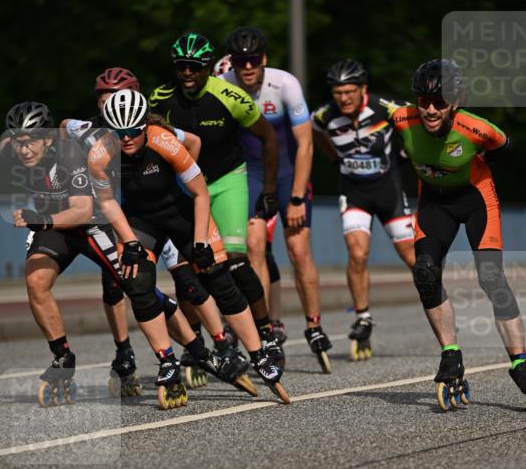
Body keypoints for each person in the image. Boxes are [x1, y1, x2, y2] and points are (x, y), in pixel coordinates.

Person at [89, 88, 289, 402]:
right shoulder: (100, 154)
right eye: (118, 133)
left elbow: (200, 194)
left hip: (181, 211)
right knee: (136, 282)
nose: (126, 139)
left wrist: (199, 242)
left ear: (145, 125)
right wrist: (128, 241)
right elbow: (107, 203)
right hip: (141, 219)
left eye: (132, 131)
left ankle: (258, 354)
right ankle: (167, 360)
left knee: (218, 277)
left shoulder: (163, 140)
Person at [64, 66, 243, 393]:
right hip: (128, 216)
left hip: (169, 210)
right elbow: (63, 126)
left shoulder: (154, 128)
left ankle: (220, 343)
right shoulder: (100, 131)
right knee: (122, 283)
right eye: (103, 99)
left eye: (114, 98)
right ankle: (126, 353)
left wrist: (177, 177)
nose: (108, 104)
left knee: (189, 281)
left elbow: (195, 143)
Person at [3, 101, 189, 408]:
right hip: (56, 227)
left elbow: (82, 210)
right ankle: (63, 358)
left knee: (137, 286)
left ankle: (186, 351)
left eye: (31, 141)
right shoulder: (10, 152)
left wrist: (41, 219)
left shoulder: (69, 155)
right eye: (18, 141)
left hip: (90, 224)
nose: (24, 149)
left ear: (48, 139)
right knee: (36, 280)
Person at [392, 58, 526, 413]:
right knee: (425, 273)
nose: (430, 110)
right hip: (435, 203)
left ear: (456, 101)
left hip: (476, 199)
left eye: (440, 102)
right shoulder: (401, 119)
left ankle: (520, 361)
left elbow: (508, 149)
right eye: (423, 101)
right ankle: (450, 355)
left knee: (491, 277)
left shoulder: (478, 129)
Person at [148, 30, 285, 366]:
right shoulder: (160, 99)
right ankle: (197, 346)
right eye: (182, 67)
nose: (188, 74)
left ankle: (266, 332)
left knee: (236, 262)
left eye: (195, 67)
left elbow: (268, 138)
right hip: (187, 188)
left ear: (208, 66)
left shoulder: (230, 96)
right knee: (189, 268)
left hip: (226, 180)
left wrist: (268, 190)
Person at [220, 28, 331, 372]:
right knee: (253, 249)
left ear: (264, 60)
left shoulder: (285, 84)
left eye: (253, 61)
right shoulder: (223, 83)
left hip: (287, 174)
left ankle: (313, 325)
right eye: (241, 62)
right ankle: (264, 332)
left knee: (298, 251)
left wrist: (297, 196)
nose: (247, 67)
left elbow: (306, 145)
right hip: (250, 175)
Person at [312, 59, 415, 360]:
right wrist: (334, 159)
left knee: (412, 257)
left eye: (349, 92)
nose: (343, 98)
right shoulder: (325, 115)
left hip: (389, 190)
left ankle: (437, 304)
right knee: (357, 253)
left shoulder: (386, 107)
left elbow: (420, 120)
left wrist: (408, 152)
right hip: (354, 192)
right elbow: (315, 132)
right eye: (338, 92)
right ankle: (363, 318)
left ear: (363, 90)